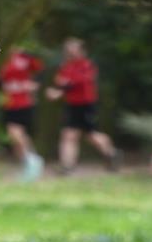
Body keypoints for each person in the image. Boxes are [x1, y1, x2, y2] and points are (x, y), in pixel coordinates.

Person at [47, 37, 120, 173]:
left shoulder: (87, 65)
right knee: (68, 134)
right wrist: (56, 92)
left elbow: (78, 82)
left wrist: (62, 88)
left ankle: (111, 153)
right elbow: (61, 82)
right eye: (68, 50)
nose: (70, 53)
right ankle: (67, 166)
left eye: (73, 50)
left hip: (86, 105)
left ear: (82, 51)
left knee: (92, 135)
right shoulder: (66, 67)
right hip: (72, 105)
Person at [0, 47, 45, 180]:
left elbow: (41, 70)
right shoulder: (4, 62)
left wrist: (35, 84)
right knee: (16, 135)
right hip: (10, 103)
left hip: (23, 102)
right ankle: (28, 163)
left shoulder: (25, 59)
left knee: (15, 132)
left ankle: (32, 161)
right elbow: (1, 82)